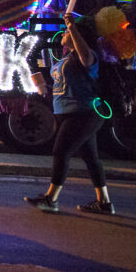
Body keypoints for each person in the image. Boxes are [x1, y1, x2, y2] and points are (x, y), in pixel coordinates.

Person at [25, 15, 114, 214]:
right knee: (91, 158)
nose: (64, 34)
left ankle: (51, 199)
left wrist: (72, 27)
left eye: (67, 32)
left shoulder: (88, 55)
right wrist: (43, 87)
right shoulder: (65, 58)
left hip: (83, 112)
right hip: (67, 111)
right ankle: (105, 202)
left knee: (61, 152)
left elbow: (85, 58)